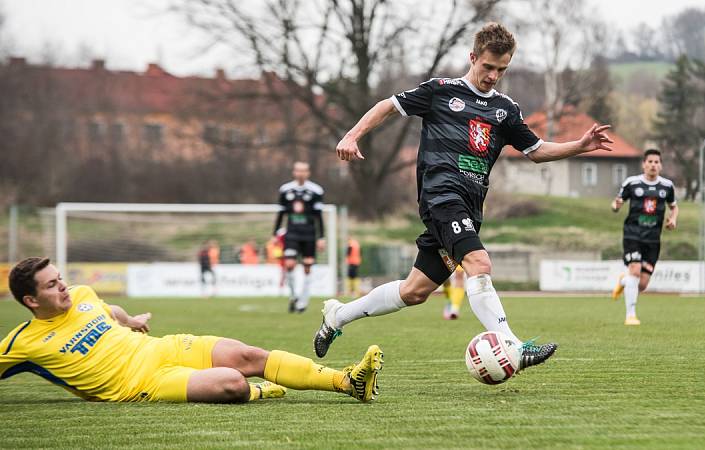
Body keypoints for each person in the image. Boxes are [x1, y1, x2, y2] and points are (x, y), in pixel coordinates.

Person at [314, 22, 613, 374]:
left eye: (501, 69)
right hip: (441, 196)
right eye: (488, 67)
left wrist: (579, 146)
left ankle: (337, 315)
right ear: (473, 57)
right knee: (479, 264)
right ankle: (514, 347)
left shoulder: (505, 110)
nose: (493, 76)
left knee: (414, 291)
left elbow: (536, 150)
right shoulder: (441, 91)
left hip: (470, 205)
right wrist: (352, 135)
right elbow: (389, 105)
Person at [0, 257, 383, 404]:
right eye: (51, 286)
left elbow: (107, 309)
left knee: (249, 355)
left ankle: (347, 381)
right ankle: (257, 391)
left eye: (60, 279)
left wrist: (130, 321)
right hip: (142, 384)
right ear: (31, 301)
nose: (63, 287)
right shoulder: (24, 342)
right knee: (233, 382)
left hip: (162, 347)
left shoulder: (83, 294)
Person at [611, 149, 679, 325]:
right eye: (650, 161)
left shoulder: (667, 186)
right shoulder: (632, 183)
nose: (653, 165)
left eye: (657, 162)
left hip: (653, 239)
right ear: (644, 164)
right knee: (634, 269)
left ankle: (624, 281)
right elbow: (617, 203)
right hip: (633, 235)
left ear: (661, 165)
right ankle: (630, 315)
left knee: (642, 284)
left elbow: (674, 206)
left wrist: (673, 219)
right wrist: (616, 205)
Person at [274, 162, 326, 313]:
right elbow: (281, 213)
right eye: (298, 170)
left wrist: (321, 237)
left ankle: (303, 301)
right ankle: (293, 296)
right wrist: (275, 233)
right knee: (289, 264)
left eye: (303, 170)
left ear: (308, 173)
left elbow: (319, 217)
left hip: (309, 234)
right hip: (292, 233)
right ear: (294, 172)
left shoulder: (316, 190)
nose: (300, 173)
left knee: (307, 266)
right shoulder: (285, 190)